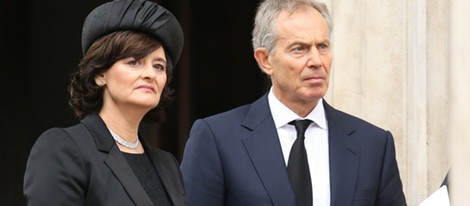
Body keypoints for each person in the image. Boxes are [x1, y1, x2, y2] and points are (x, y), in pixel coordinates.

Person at [180, 0, 406, 205]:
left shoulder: (373, 145)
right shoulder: (217, 139)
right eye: (300, 49)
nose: (316, 61)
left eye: (323, 46)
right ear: (265, 60)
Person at [23, 0, 185, 205]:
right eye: (134, 62)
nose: (150, 74)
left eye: (159, 66)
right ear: (100, 73)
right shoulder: (63, 148)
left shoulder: (167, 164)